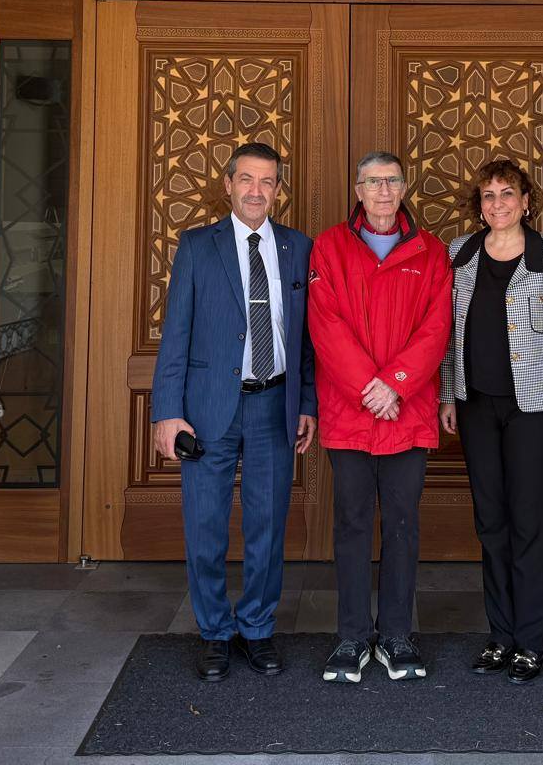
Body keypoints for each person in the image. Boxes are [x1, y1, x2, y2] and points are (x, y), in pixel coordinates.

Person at [150, 142, 317, 683]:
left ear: (278, 190)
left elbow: (306, 337)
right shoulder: (198, 246)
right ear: (228, 185)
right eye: (246, 179)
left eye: (267, 181)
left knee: (268, 526)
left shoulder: (298, 248)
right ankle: (215, 633)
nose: (256, 191)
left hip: (275, 404)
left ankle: (258, 629)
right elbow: (175, 334)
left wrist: (307, 403)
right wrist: (166, 412)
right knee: (206, 527)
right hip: (207, 409)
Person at [438, 158, 543, 685]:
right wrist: (447, 395)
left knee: (530, 522)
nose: (497, 203)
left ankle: (530, 641)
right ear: (478, 206)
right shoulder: (459, 253)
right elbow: (446, 333)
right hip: (476, 406)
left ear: (526, 201)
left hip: (536, 410)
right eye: (488, 195)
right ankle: (500, 635)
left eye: (507, 194)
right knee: (491, 522)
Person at [307, 151, 452, 683]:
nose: (384, 191)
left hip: (406, 411)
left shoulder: (431, 251)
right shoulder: (329, 246)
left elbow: (437, 327)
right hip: (350, 411)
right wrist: (370, 389)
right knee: (350, 524)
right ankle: (351, 635)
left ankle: (395, 634)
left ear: (405, 187)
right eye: (373, 182)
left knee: (403, 524)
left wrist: (395, 384)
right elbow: (325, 325)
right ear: (358, 190)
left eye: (392, 181)